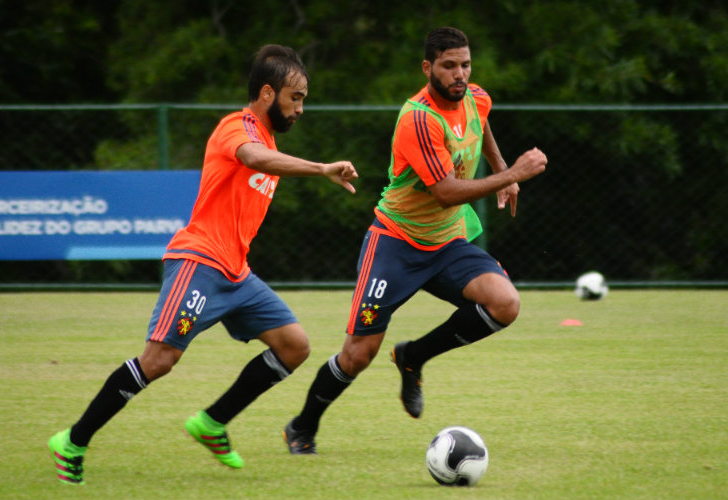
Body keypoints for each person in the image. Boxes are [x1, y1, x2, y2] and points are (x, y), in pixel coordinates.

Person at [47, 44, 358, 484]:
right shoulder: (237, 126)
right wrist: (320, 168)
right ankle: (73, 441)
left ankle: (213, 422)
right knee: (158, 360)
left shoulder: (269, 139)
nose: (301, 108)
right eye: (296, 97)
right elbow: (251, 157)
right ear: (268, 94)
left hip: (236, 271)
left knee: (294, 346)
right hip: (198, 259)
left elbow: (263, 156)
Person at [283, 27, 547, 454]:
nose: (459, 74)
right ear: (428, 68)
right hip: (396, 244)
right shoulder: (419, 119)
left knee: (505, 304)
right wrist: (513, 173)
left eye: (465, 65)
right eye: (448, 66)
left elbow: (482, 122)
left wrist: (501, 170)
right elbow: (444, 192)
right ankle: (302, 427)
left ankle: (414, 356)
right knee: (358, 355)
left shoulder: (475, 97)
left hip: (446, 243)